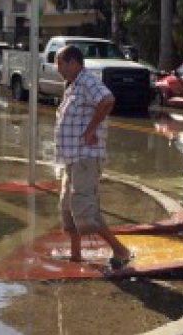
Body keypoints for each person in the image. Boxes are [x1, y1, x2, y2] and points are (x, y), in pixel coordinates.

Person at [54, 45, 133, 270]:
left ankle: (120, 250)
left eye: (60, 63)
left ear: (73, 63)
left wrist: (90, 130)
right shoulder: (72, 86)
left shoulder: (87, 81)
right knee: (68, 209)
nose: (57, 68)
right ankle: (76, 254)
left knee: (84, 211)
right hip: (71, 158)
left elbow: (107, 100)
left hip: (85, 157)